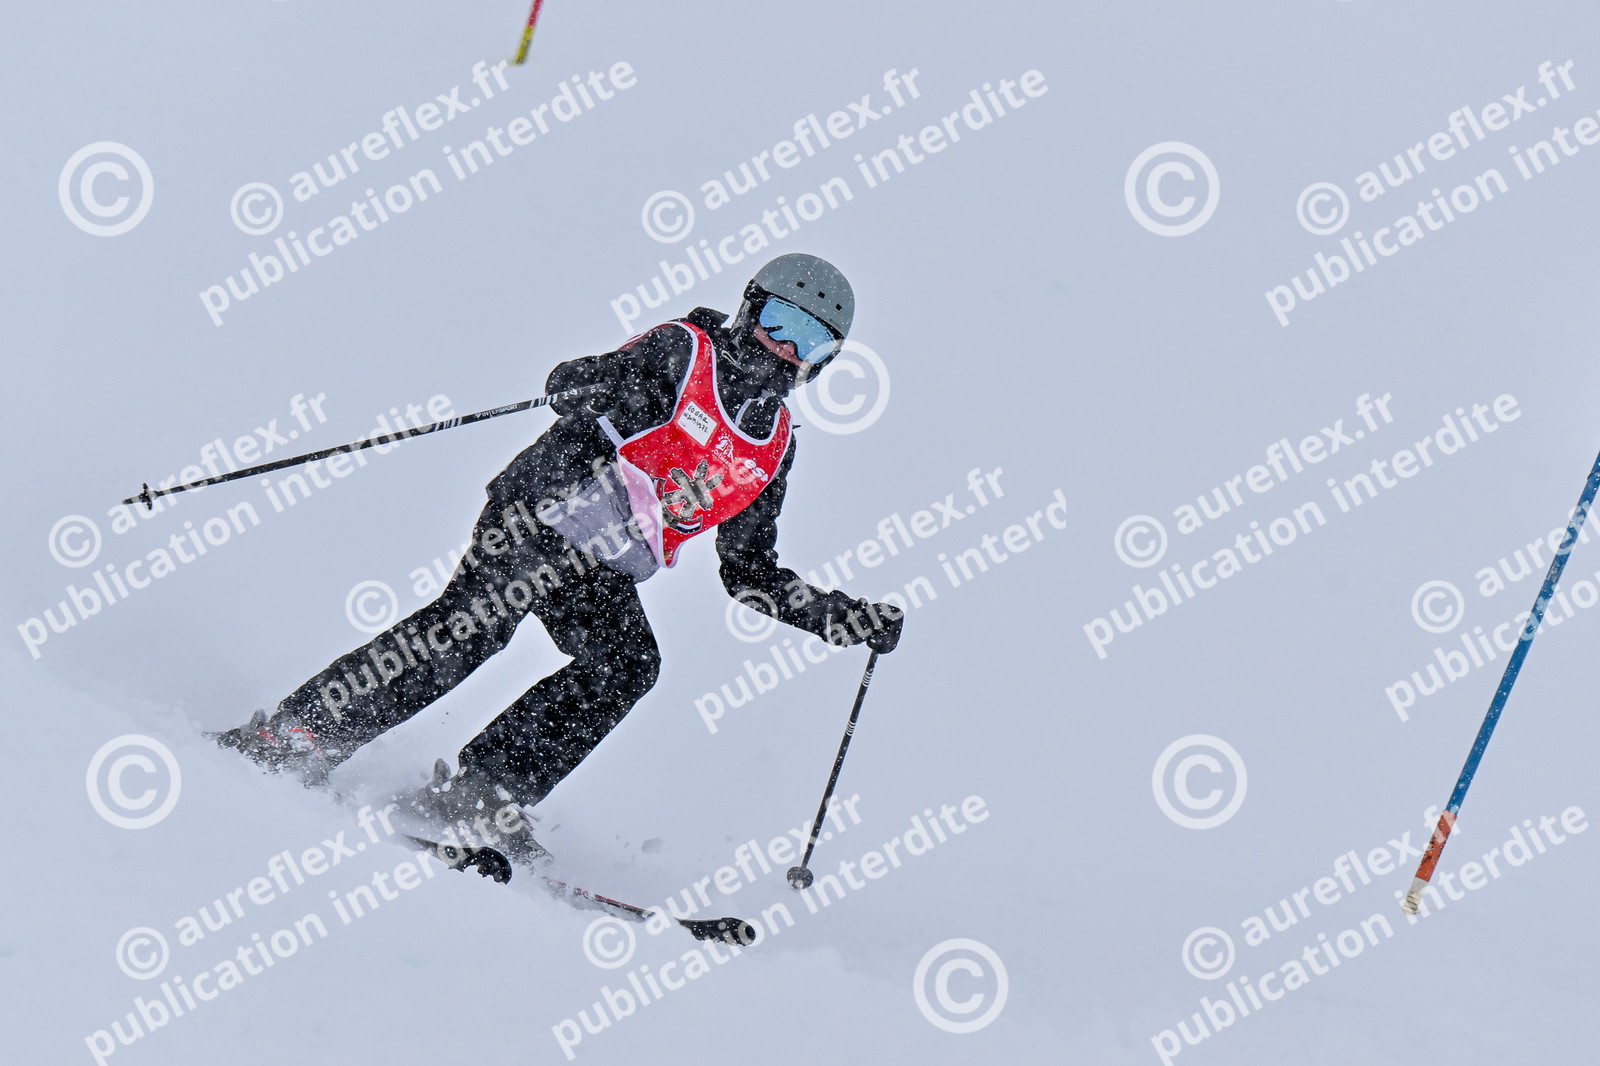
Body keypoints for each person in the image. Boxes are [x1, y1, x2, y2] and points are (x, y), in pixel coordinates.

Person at [216, 253, 903, 849]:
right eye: (780, 322)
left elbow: (749, 573)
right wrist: (599, 390)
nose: (785, 348)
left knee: (628, 664)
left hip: (599, 564)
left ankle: (482, 793)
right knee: (475, 628)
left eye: (810, 341)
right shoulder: (683, 351)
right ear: (750, 309)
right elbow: (571, 378)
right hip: (541, 512)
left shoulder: (771, 449)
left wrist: (839, 618)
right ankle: (303, 732)